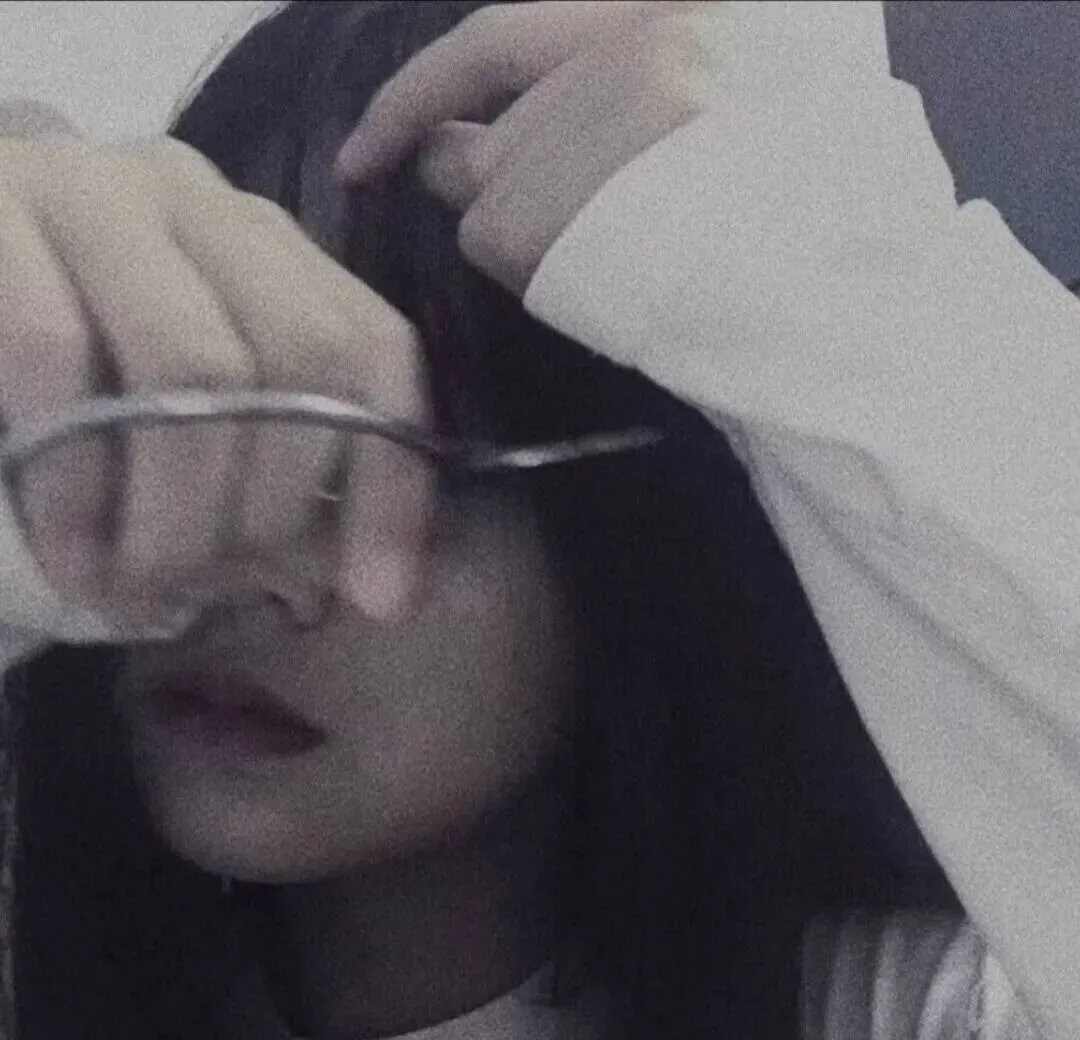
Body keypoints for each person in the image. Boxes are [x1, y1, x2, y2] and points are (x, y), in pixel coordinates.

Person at [0, 1, 1061, 1038]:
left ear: (640, 536)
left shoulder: (923, 1007)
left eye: (395, 457)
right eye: (203, 425)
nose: (246, 560)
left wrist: (852, 279)